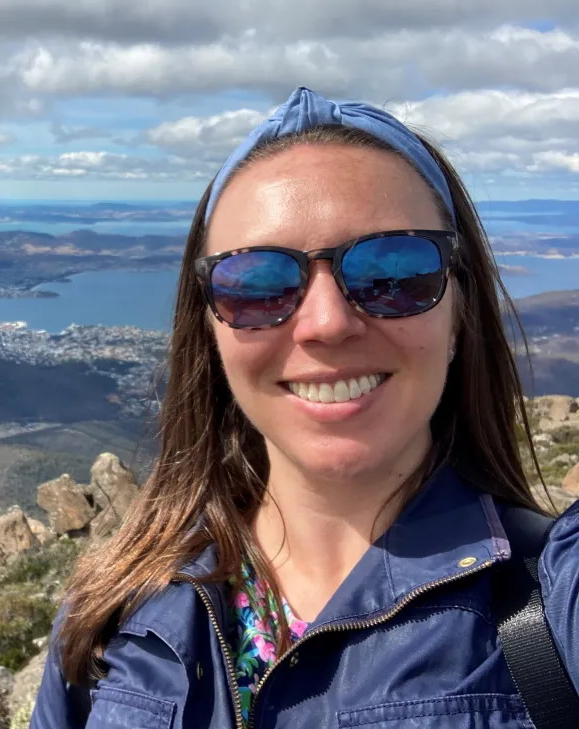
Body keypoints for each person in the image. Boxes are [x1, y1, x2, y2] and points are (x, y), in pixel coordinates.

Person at [30, 87, 579, 729]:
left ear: (460, 315)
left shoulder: (550, 601)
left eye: (393, 273)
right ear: (210, 328)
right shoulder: (112, 618)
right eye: (256, 284)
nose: (326, 323)